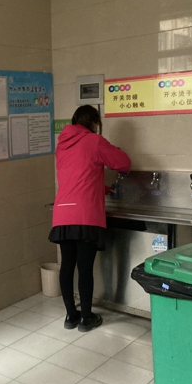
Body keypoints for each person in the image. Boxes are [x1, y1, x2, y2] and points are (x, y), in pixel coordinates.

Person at [49, 105, 131, 332]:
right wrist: (113, 150)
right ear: (94, 123)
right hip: (85, 214)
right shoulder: (94, 141)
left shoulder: (62, 145)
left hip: (63, 212)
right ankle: (86, 318)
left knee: (67, 266)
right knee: (85, 268)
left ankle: (70, 316)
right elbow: (124, 163)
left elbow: (78, 178)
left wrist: (105, 189)